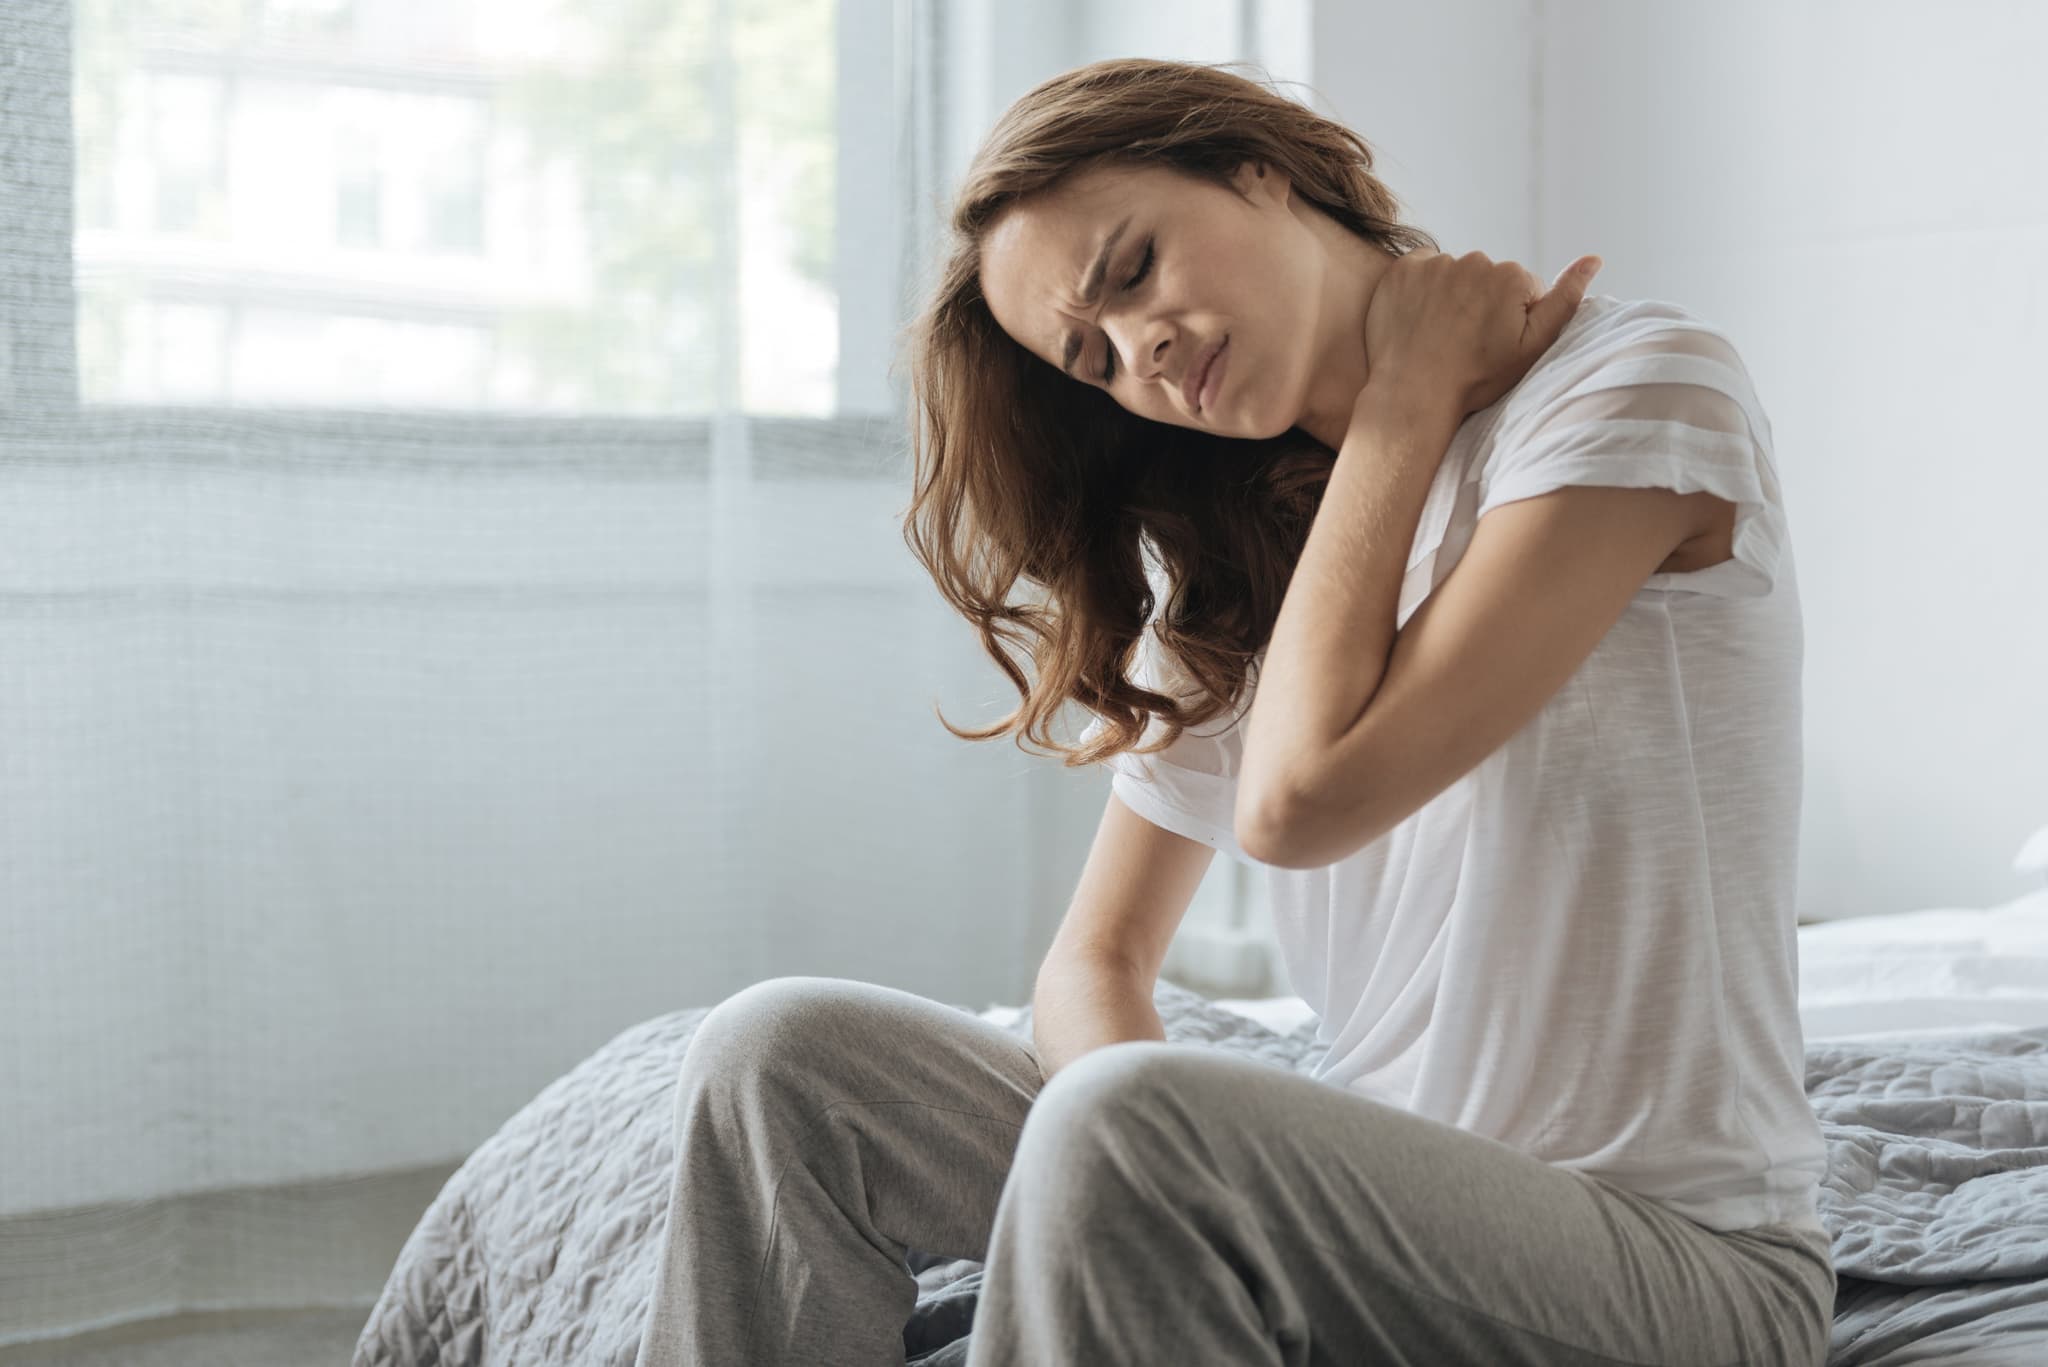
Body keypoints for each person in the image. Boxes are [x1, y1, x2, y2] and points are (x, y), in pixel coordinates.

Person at [634, 57, 1835, 1366]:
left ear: (1257, 170)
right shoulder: (1253, 547)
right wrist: (1112, 1185)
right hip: (1364, 1220)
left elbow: (1302, 804)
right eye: (1093, 359)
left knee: (1137, 1124)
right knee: (783, 1060)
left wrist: (1403, 404)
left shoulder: (1635, 388)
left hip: (1667, 1266)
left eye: (1134, 268)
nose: (1138, 351)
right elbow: (1093, 964)